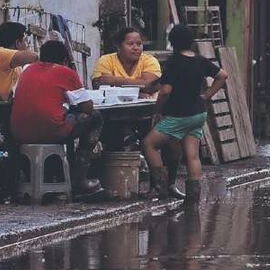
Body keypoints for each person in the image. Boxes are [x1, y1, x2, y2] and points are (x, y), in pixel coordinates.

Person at [142, 24, 228, 204]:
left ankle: (160, 187)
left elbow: (165, 90)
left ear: (172, 42)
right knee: (193, 156)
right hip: (198, 114)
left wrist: (157, 110)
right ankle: (193, 200)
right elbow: (222, 75)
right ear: (191, 41)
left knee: (149, 144)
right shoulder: (200, 60)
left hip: (178, 115)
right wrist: (207, 95)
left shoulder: (174, 62)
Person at [11, 41, 103, 196]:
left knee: (63, 117)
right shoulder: (65, 72)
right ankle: (79, 178)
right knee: (95, 118)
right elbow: (87, 108)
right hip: (50, 131)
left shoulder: (27, 70)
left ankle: (57, 175)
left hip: (19, 132)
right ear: (65, 61)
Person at [91, 27, 162, 92]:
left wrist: (115, 81)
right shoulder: (106, 60)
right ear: (118, 46)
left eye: (139, 44)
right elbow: (99, 86)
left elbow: (150, 85)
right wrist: (139, 92)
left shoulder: (149, 60)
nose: (136, 48)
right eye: (130, 44)